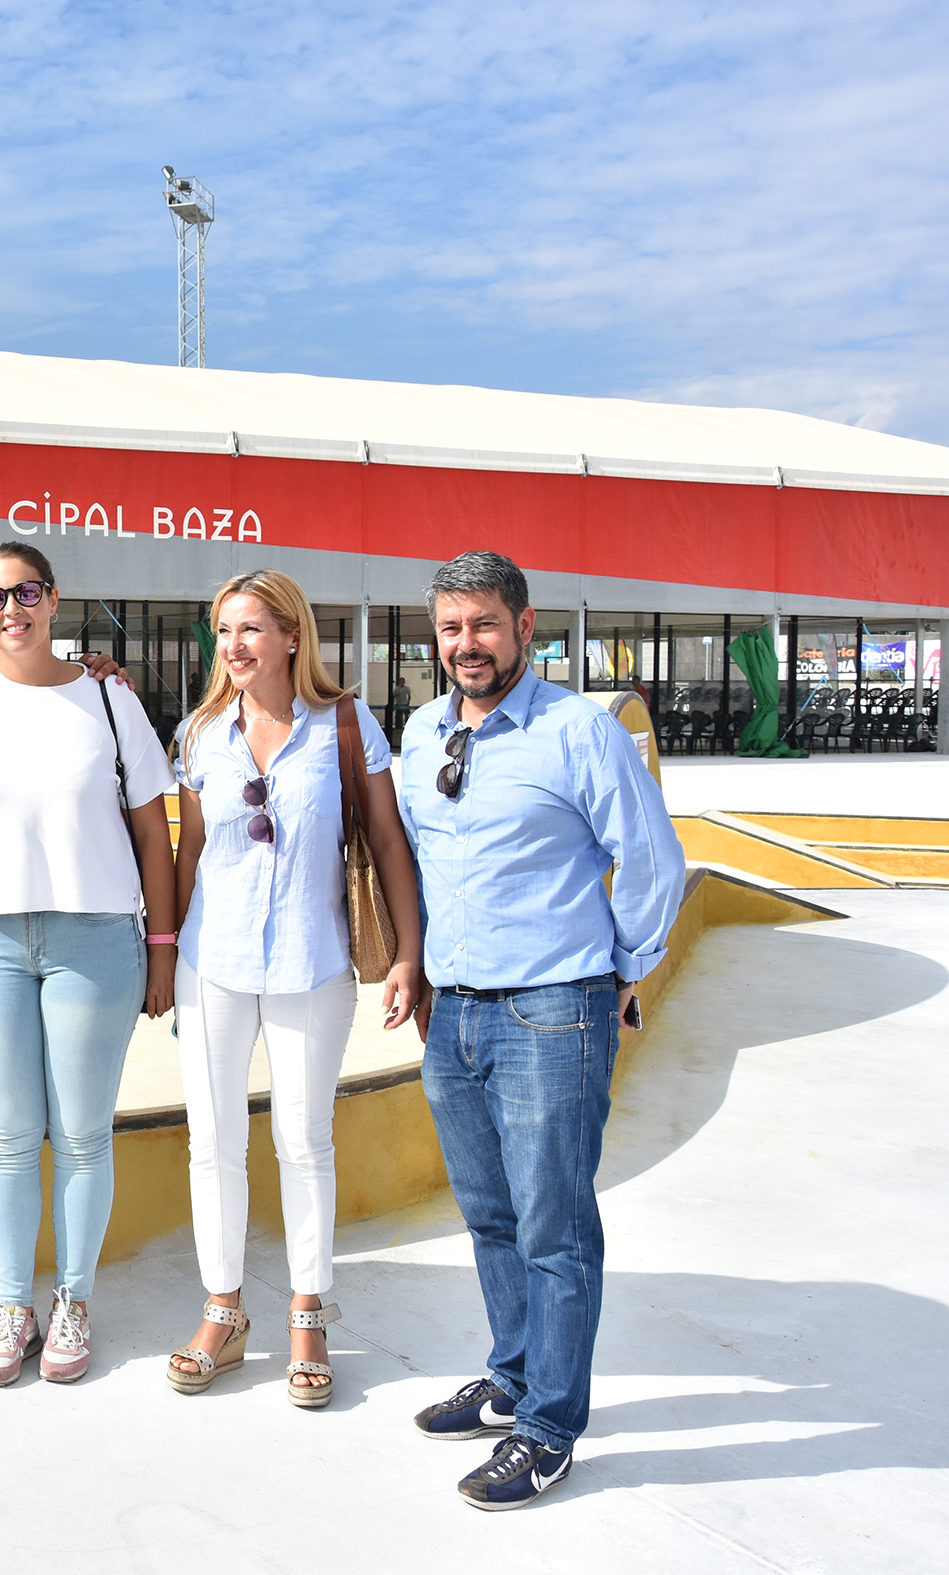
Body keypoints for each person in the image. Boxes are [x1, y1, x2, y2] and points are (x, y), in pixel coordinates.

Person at [398, 550, 685, 1510]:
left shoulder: (580, 732)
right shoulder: (423, 728)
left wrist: (622, 973)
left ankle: (550, 1428)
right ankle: (512, 1375)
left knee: (555, 1229)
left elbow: (648, 860)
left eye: (483, 623)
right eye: (449, 626)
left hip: (551, 1009)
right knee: (490, 1216)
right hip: (457, 1010)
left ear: (527, 627)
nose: (464, 644)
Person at [163, 570, 425, 1407]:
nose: (233, 647)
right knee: (214, 1142)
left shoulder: (345, 725)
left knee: (305, 1141)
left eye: (250, 629)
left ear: (290, 636)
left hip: (313, 963)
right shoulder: (202, 732)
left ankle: (309, 1316)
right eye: (223, 631)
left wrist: (408, 954)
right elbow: (187, 850)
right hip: (215, 961)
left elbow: (387, 842)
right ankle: (223, 1311)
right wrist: (163, 950)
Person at [0, 542, 176, 1386]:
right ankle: (13, 1304)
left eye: (25, 591)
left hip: (95, 938)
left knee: (81, 1133)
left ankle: (72, 1298)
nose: (10, 608)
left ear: (54, 597)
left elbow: (152, 831)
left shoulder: (108, 701)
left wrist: (164, 946)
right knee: (8, 1132)